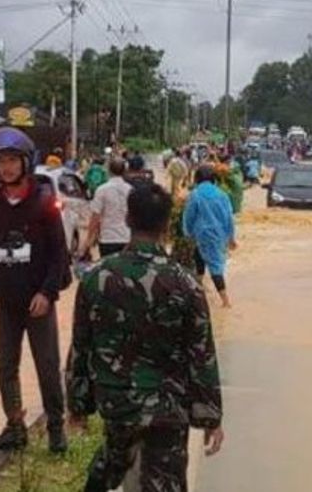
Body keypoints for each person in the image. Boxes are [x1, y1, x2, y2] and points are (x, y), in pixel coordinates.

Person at [68, 183, 224, 492]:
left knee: (112, 463)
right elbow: (201, 354)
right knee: (164, 479)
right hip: (168, 407)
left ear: (127, 219)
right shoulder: (186, 284)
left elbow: (81, 346)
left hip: (117, 403)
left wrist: (78, 406)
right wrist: (210, 416)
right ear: (168, 225)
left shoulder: (96, 278)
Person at [0, 127, 71, 454]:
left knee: (47, 365)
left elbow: (59, 256)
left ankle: (55, 427)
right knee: (6, 366)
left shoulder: (45, 205)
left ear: (26, 162)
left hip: (39, 303)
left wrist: (47, 294)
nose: (6, 167)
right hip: (6, 301)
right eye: (0, 161)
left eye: (12, 160)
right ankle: (15, 426)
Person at [184, 165, 236, 308]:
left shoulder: (195, 195)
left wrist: (187, 233)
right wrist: (231, 238)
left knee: (206, 266)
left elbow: (189, 217)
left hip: (202, 235)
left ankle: (220, 301)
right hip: (219, 235)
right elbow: (229, 218)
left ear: (197, 178)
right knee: (210, 263)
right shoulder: (222, 195)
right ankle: (215, 298)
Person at [81, 158, 132, 259]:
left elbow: (95, 217)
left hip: (108, 238)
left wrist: (89, 240)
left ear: (109, 171)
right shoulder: (131, 190)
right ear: (124, 171)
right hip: (127, 238)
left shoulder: (102, 190)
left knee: (108, 272)